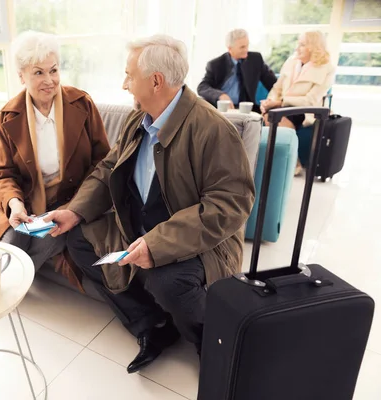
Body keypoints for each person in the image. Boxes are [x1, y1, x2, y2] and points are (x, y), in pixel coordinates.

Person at [45, 34, 255, 373]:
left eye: (130, 75)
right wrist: (75, 210)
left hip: (201, 245)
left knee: (168, 280)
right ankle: (152, 325)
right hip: (138, 227)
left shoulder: (212, 129)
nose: (125, 84)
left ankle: (215, 345)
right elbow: (108, 168)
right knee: (78, 240)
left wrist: (156, 243)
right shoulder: (137, 119)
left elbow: (230, 205)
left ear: (155, 81)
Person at [0, 31, 110, 285]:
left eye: (53, 70)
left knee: (26, 263)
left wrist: (76, 207)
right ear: (21, 77)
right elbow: (0, 173)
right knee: (7, 250)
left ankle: (15, 288)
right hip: (27, 204)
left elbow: (103, 163)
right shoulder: (8, 116)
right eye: (38, 72)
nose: (49, 80)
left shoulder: (82, 104)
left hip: (69, 203)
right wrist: (15, 203)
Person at [261, 30, 335, 175]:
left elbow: (310, 100)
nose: (297, 48)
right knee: (269, 115)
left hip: (305, 109)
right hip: (282, 105)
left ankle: (293, 162)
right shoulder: (291, 61)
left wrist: (280, 102)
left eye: (302, 45)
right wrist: (270, 100)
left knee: (277, 118)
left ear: (313, 47)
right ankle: (281, 161)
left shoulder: (327, 68)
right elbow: (277, 87)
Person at [198, 28, 277, 112]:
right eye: (242, 47)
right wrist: (220, 95)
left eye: (247, 45)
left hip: (246, 110)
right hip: (222, 110)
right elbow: (202, 87)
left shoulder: (256, 60)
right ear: (230, 48)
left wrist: (277, 99)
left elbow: (273, 83)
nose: (246, 50)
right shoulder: (216, 64)